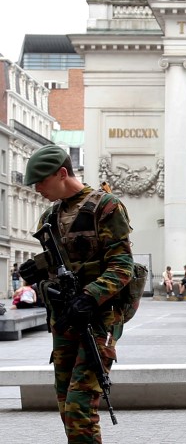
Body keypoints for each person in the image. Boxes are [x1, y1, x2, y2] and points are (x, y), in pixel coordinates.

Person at [19, 144, 134, 443]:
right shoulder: (50, 215)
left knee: (80, 405)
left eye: (41, 181)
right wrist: (37, 269)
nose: (37, 188)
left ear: (61, 173)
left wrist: (90, 296)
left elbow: (123, 267)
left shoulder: (106, 207)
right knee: (66, 407)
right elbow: (59, 263)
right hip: (65, 319)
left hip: (98, 319)